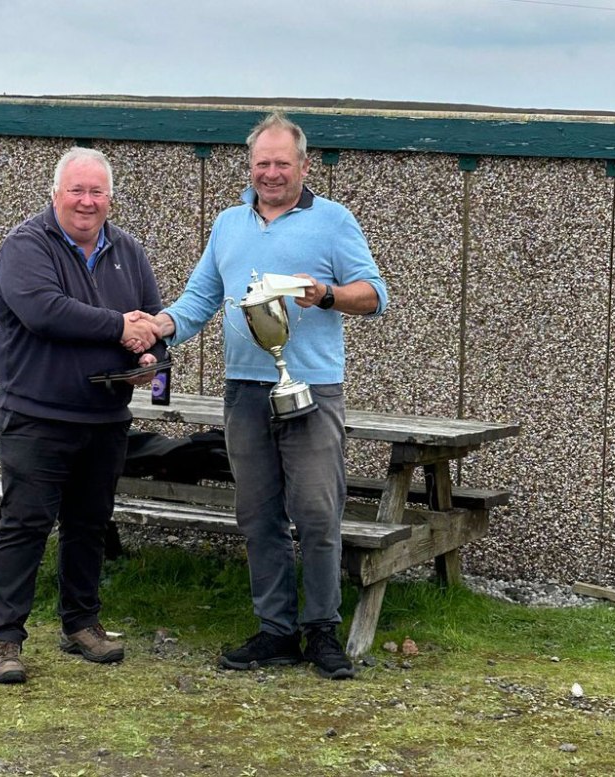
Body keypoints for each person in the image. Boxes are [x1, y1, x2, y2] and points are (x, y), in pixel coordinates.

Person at [144, 112, 387, 680]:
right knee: (257, 516)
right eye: (262, 163)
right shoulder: (228, 224)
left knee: (318, 513)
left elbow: (375, 296)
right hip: (244, 392)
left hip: (312, 389)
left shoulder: (333, 222)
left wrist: (326, 295)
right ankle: (276, 631)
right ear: (249, 167)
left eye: (282, 163)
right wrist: (160, 327)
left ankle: (321, 630)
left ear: (305, 165)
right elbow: (201, 297)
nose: (271, 173)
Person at [0, 147, 165, 685]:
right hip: (38, 415)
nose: (87, 202)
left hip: (105, 417)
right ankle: (5, 639)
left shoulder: (128, 252)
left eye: (97, 192)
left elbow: (153, 319)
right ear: (55, 194)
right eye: (76, 191)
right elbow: (44, 310)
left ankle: (81, 625)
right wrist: (119, 327)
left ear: (110, 198)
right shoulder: (25, 246)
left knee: (90, 524)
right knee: (27, 524)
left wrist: (149, 352)